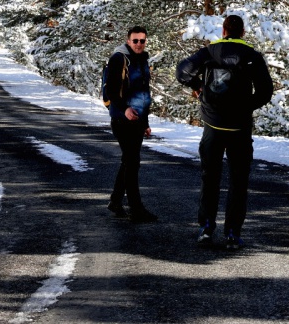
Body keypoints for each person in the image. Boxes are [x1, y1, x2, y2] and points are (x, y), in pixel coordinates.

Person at [176, 14, 273, 250]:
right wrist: (245, 107)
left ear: (223, 30)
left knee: (210, 178)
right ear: (242, 32)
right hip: (239, 128)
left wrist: (199, 87)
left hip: (213, 125)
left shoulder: (210, 51)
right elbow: (266, 91)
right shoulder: (252, 56)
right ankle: (232, 233)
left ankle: (207, 228)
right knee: (238, 182)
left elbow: (182, 72)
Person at [106, 25, 158, 223]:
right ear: (128, 41)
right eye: (135, 40)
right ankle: (136, 209)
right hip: (122, 120)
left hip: (137, 121)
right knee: (132, 162)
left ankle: (116, 201)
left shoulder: (143, 59)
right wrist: (124, 109)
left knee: (129, 161)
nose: (139, 44)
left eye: (142, 41)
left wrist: (145, 122)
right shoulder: (119, 58)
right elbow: (111, 90)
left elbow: (144, 94)